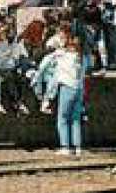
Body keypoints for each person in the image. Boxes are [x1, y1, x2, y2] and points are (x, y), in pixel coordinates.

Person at [34, 25, 88, 156]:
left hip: (66, 88)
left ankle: (65, 147)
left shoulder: (62, 55)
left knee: (62, 118)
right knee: (75, 119)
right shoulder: (83, 58)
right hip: (79, 90)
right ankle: (78, 148)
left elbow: (44, 64)